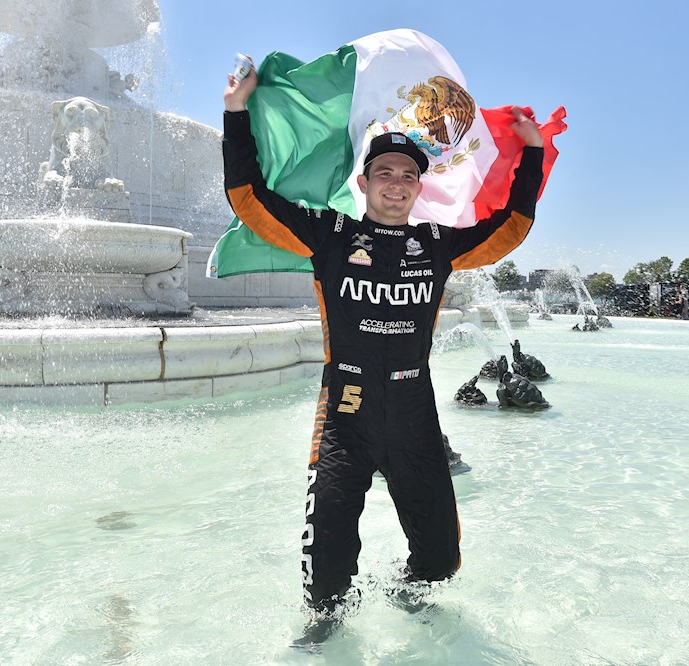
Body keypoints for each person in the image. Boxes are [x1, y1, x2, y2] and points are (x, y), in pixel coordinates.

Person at [223, 60, 545, 619]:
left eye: (407, 176)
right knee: (325, 570)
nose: (396, 184)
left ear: (418, 187)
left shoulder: (438, 244)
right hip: (345, 411)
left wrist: (533, 152)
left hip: (414, 411)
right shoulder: (329, 234)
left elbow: (511, 227)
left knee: (441, 559)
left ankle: (404, 596)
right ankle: (326, 636)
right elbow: (248, 197)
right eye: (385, 173)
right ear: (364, 182)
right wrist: (235, 112)